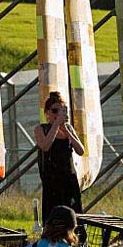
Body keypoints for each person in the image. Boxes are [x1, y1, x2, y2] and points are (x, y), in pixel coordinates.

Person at [34, 92, 85, 224]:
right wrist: (56, 125)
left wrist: (66, 130)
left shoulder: (68, 129)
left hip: (69, 177)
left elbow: (80, 150)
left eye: (61, 110)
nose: (58, 114)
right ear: (47, 113)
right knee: (53, 214)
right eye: (55, 111)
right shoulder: (41, 129)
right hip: (52, 179)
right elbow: (45, 146)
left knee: (73, 213)